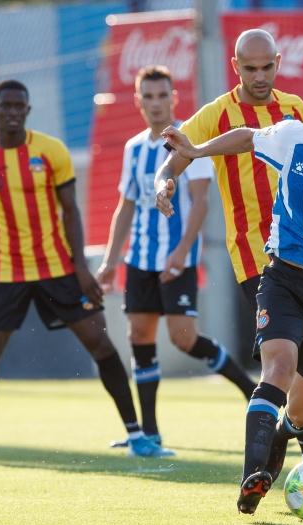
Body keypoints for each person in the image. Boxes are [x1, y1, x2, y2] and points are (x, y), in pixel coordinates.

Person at [158, 77, 303, 515]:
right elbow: (246, 137)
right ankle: (253, 478)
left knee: (302, 411)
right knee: (279, 368)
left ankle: (289, 438)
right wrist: (196, 151)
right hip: (283, 279)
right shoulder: (293, 138)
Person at [0, 79, 173, 466]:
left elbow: (70, 211)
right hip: (6, 272)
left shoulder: (50, 151)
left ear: (27, 110)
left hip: (57, 268)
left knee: (101, 344)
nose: (13, 112)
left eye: (20, 106)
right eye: (6, 106)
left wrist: (80, 268)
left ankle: (137, 437)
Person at [151, 29, 303, 461]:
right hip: (254, 255)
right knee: (284, 356)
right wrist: (163, 184)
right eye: (250, 68)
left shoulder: (295, 108)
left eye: (267, 67)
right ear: (235, 67)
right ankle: (302, 451)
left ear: (278, 63)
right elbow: (175, 159)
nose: (260, 76)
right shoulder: (217, 113)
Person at [95, 65, 257, 449]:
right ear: (139, 101)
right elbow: (126, 207)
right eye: (148, 96)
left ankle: (250, 389)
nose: (156, 103)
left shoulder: (188, 138)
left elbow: (200, 201)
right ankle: (148, 433)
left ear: (173, 98)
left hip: (177, 258)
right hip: (139, 259)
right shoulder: (134, 148)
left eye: (162, 95)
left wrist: (182, 251)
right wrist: (110, 262)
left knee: (183, 338)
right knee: (139, 335)